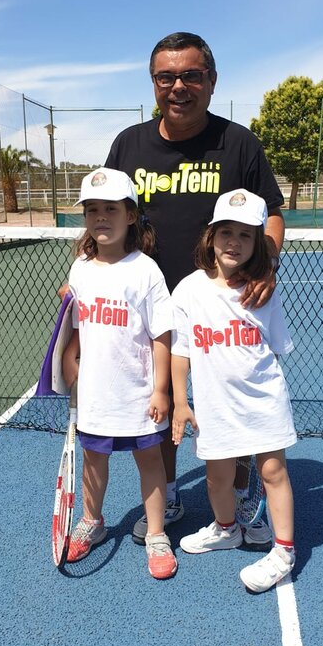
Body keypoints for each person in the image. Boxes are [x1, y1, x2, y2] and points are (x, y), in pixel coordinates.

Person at [105, 31, 285, 547]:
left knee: (236, 401)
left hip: (222, 306)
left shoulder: (239, 142)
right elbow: (108, 215)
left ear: (211, 80)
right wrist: (87, 275)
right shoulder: (129, 144)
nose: (178, 86)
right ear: (153, 83)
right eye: (166, 77)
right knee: (159, 406)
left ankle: (243, 493)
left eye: (191, 75)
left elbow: (272, 214)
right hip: (150, 306)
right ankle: (167, 493)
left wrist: (266, 263)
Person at [171, 188, 297, 593]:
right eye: (226, 231)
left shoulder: (263, 293)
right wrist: (179, 401)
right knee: (217, 478)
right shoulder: (189, 289)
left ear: (259, 242)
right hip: (214, 408)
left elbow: (274, 351)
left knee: (273, 471)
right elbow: (180, 351)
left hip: (264, 402)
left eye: (245, 235)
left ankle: (284, 551)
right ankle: (226, 529)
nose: (234, 242)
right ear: (211, 236)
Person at [61, 167, 177, 580]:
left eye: (111, 208)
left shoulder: (146, 271)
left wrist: (161, 389)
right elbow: (76, 325)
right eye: (92, 209)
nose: (101, 217)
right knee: (93, 460)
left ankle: (157, 533)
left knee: (150, 461)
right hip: (95, 394)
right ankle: (92, 521)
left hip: (137, 393)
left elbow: (162, 335)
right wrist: (69, 358)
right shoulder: (80, 268)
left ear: (130, 215)